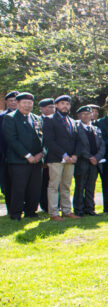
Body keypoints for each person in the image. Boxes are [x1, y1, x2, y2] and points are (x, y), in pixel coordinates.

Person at [2, 92, 45, 220]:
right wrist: (28, 155)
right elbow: (12, 139)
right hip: (19, 160)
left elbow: (43, 137)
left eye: (30, 103)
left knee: (34, 188)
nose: (27, 105)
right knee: (19, 188)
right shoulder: (10, 118)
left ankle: (31, 212)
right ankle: (16, 214)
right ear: (18, 103)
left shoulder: (37, 118)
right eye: (24, 103)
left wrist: (41, 153)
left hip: (37, 160)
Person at [42, 94, 80, 221]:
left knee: (66, 186)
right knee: (54, 186)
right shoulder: (49, 120)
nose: (65, 106)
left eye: (68, 104)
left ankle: (67, 211)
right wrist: (63, 155)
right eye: (62, 103)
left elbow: (76, 140)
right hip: (56, 158)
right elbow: (49, 141)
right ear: (57, 105)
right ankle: (53, 213)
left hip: (70, 159)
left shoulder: (72, 121)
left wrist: (74, 155)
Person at [73, 105, 105, 217]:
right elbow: (78, 146)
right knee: (80, 186)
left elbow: (102, 146)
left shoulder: (96, 129)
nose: (86, 116)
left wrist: (97, 157)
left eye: (89, 114)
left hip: (95, 162)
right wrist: (89, 157)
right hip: (82, 161)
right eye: (84, 114)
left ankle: (90, 208)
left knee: (91, 186)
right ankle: (79, 209)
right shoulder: (76, 129)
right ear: (79, 116)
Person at [37, 97, 55, 213]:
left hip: (55, 157)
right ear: (42, 109)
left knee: (54, 182)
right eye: (49, 107)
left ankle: (54, 205)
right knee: (43, 183)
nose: (52, 109)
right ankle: (44, 205)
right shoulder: (38, 121)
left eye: (53, 107)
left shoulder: (56, 120)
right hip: (42, 158)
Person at [0, 91, 19, 197]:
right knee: (7, 181)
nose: (13, 103)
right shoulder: (2, 117)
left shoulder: (27, 117)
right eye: (11, 101)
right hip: (6, 154)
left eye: (15, 101)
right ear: (6, 102)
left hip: (22, 155)